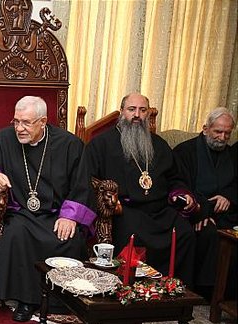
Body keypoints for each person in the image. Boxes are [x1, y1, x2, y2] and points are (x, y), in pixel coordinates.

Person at [0, 96, 95, 322]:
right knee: (16, 233)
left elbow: (81, 184)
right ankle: (25, 301)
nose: (19, 128)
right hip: (22, 212)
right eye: (16, 121)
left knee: (69, 238)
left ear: (43, 122)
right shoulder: (3, 139)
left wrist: (70, 216)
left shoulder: (69, 144)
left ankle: (63, 299)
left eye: (26, 123)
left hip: (58, 214)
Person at [80, 93, 197, 285]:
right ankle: (130, 289)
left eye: (142, 110)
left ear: (148, 114)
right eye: (131, 109)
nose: (137, 115)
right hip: (125, 210)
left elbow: (175, 177)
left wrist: (181, 192)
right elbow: (87, 179)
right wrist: (109, 200)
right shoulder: (102, 144)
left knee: (185, 233)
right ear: (121, 112)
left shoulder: (159, 144)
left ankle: (175, 289)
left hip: (160, 211)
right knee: (131, 233)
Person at [173, 108, 237, 294]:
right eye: (218, 131)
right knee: (207, 232)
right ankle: (207, 292)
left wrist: (228, 196)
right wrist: (201, 211)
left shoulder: (232, 154)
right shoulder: (185, 151)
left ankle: (229, 293)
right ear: (205, 128)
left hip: (226, 213)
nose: (222, 137)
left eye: (227, 133)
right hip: (195, 211)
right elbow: (179, 186)